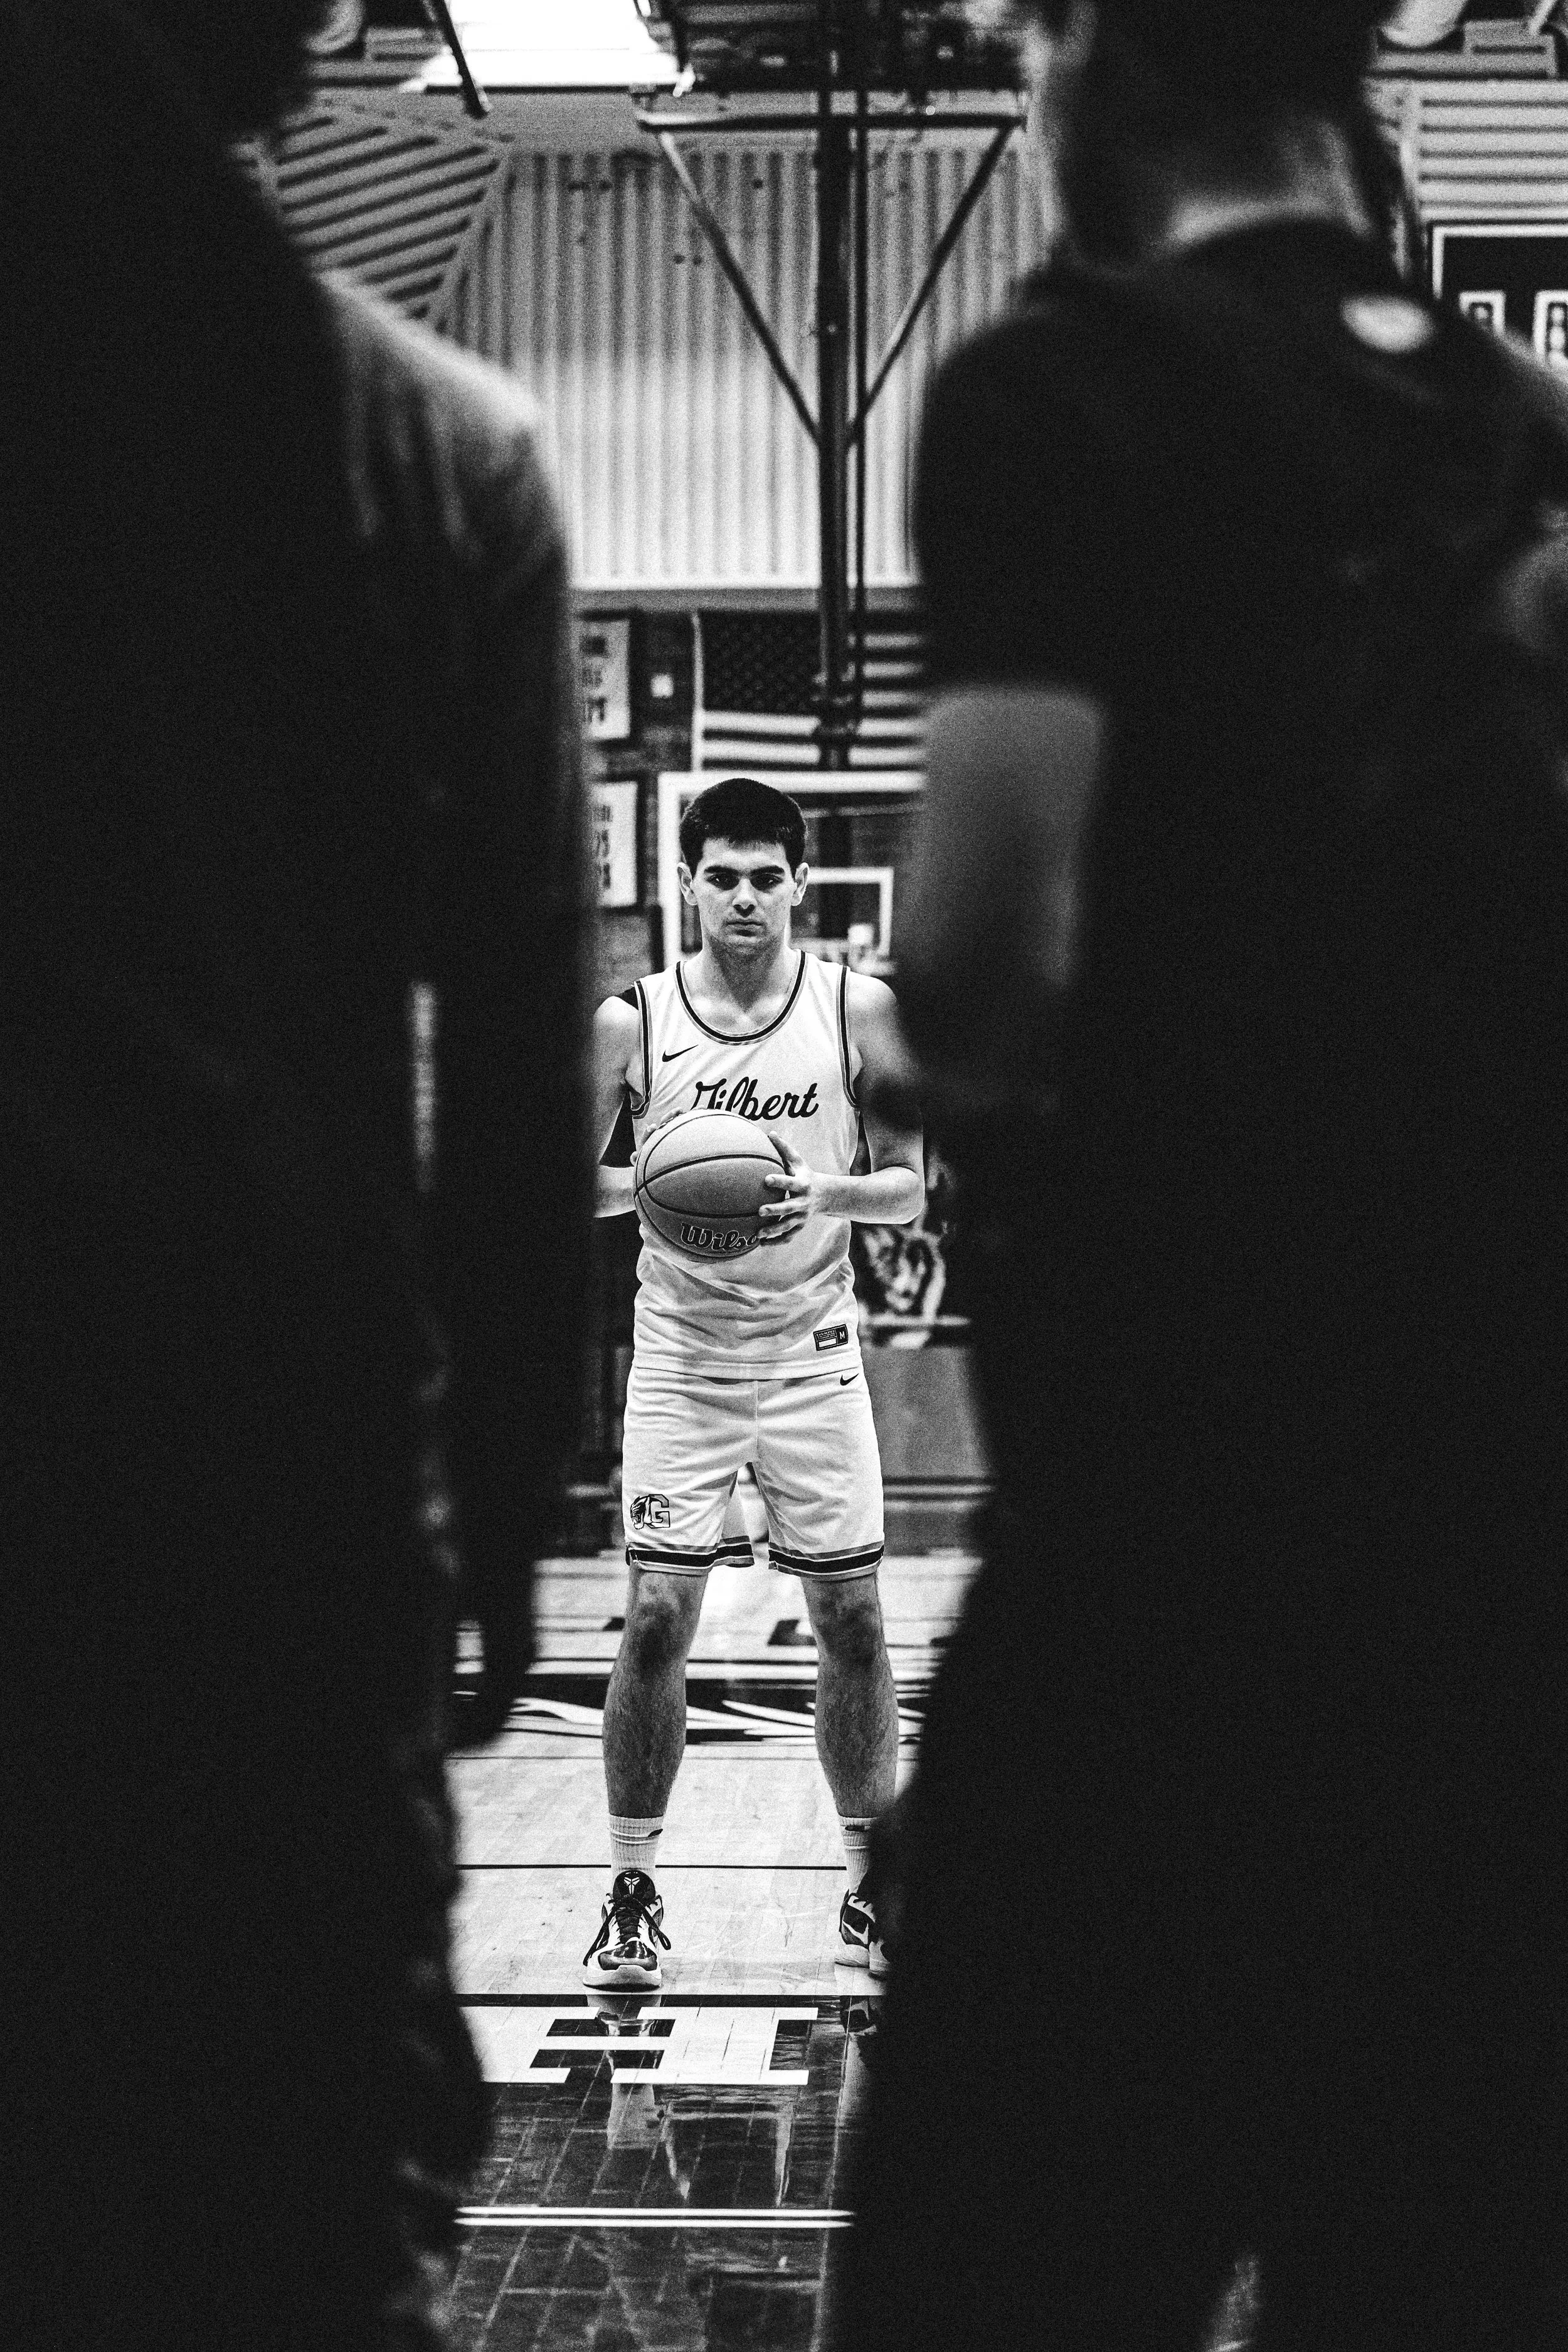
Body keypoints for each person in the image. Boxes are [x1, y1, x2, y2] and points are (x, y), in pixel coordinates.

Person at [833, 4, 1568, 2349]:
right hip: (1493, 1581)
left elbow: (982, 966)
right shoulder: (1523, 431)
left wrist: (911, 1044)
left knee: (1005, 2278)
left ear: (1085, 65)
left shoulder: (1066, 394)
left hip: (1169, 1544)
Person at [2, 4, 587, 2346]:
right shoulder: (438, 449)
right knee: (296, 2212)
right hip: (276, 1488)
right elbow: (524, 1064)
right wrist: (512, 1491)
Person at [585, 777, 924, 1990]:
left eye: (765, 877)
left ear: (800, 885)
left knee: (855, 1619)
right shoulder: (630, 1020)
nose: (743, 897)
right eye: (720, 876)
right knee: (658, 1616)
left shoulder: (858, 1009)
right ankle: (632, 1892)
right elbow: (564, 1182)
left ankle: (870, 1892)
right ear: (686, 882)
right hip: (682, 1355)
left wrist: (815, 1191)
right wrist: (661, 1181)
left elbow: (908, 1188)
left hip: (811, 1352)